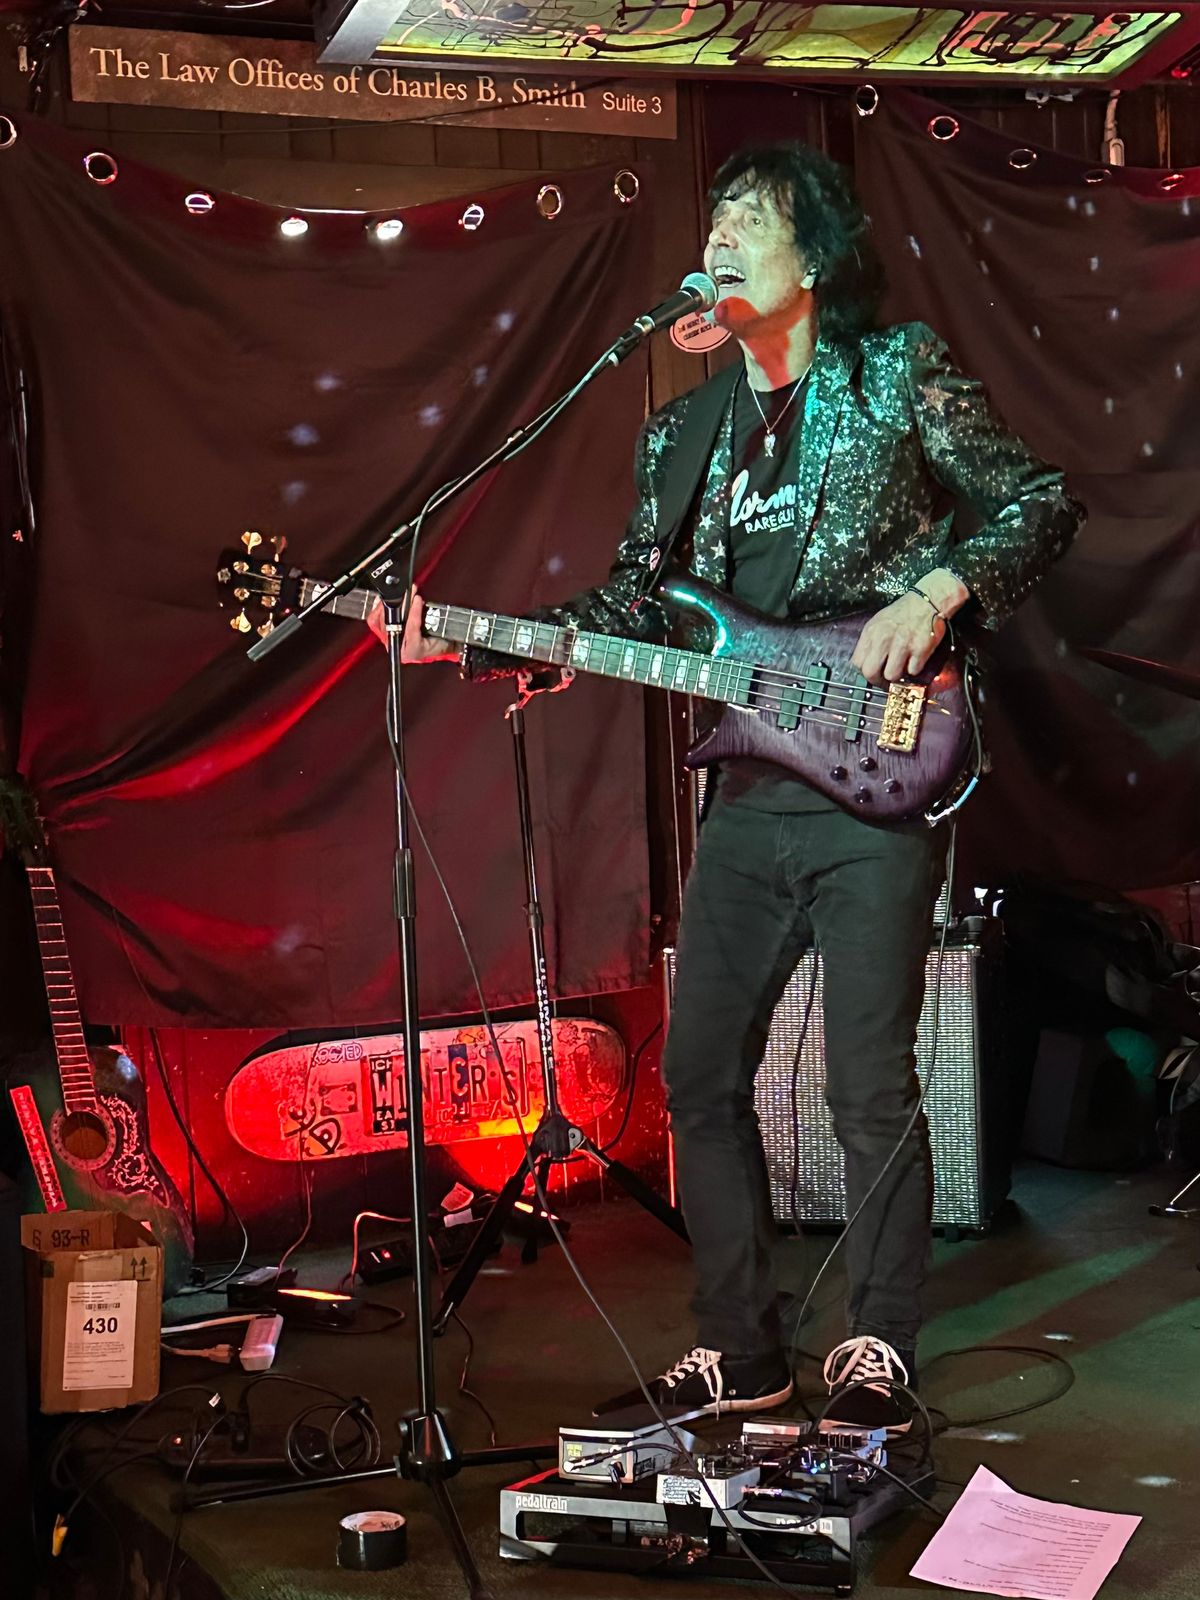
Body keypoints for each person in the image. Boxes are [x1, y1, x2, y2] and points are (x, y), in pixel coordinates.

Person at [379, 141, 1084, 1432]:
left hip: (878, 765)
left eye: (750, 220)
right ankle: (741, 1347)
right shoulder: (683, 433)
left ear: (813, 258)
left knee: (867, 1081)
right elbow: (636, 605)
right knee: (699, 1074)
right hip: (750, 791)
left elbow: (1039, 504)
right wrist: (480, 640)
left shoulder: (894, 374)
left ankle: (876, 1345)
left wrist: (936, 594)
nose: (722, 239)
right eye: (714, 221)